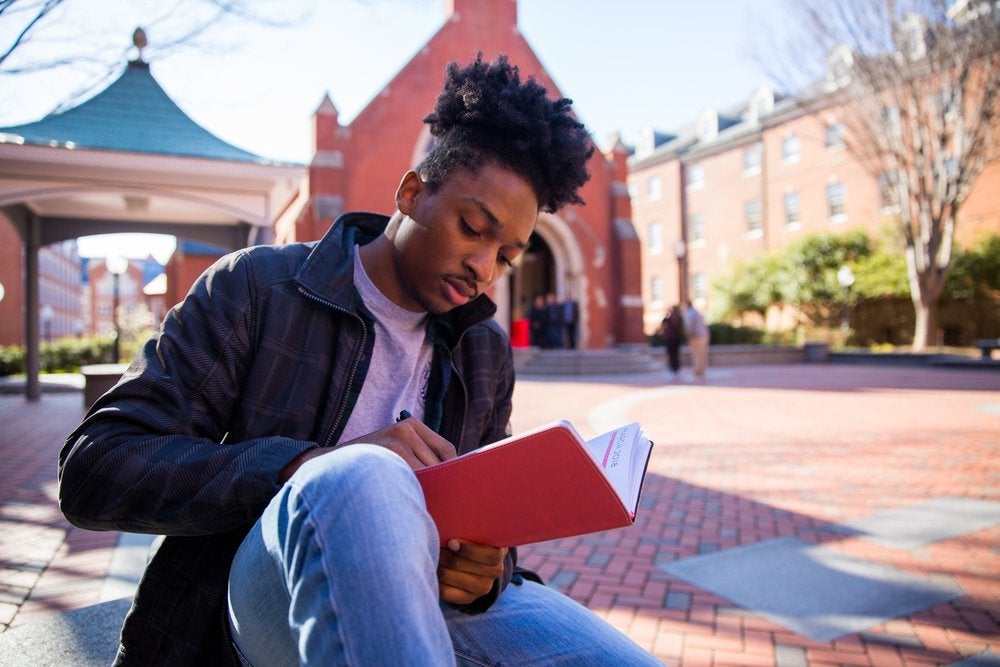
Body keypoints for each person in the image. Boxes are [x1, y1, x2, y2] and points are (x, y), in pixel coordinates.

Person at [58, 54, 662, 666]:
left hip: (428, 608)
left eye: (506, 256)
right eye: (472, 227)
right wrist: (307, 466)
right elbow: (95, 470)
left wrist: (487, 571)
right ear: (411, 192)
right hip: (244, 607)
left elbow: (489, 527)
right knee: (367, 477)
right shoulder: (259, 289)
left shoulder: (484, 349)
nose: (484, 268)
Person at [684, 299, 710, 380]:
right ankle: (701, 371)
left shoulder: (689, 313)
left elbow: (689, 326)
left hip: (696, 337)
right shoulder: (697, 313)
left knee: (696, 355)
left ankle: (698, 372)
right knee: (702, 355)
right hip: (703, 336)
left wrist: (688, 336)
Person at [658, 304, 683, 377]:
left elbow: (666, 323)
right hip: (675, 338)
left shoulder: (673, 317)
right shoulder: (678, 316)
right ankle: (675, 369)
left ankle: (674, 370)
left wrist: (667, 315)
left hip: (671, 339)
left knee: (672, 355)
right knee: (674, 355)